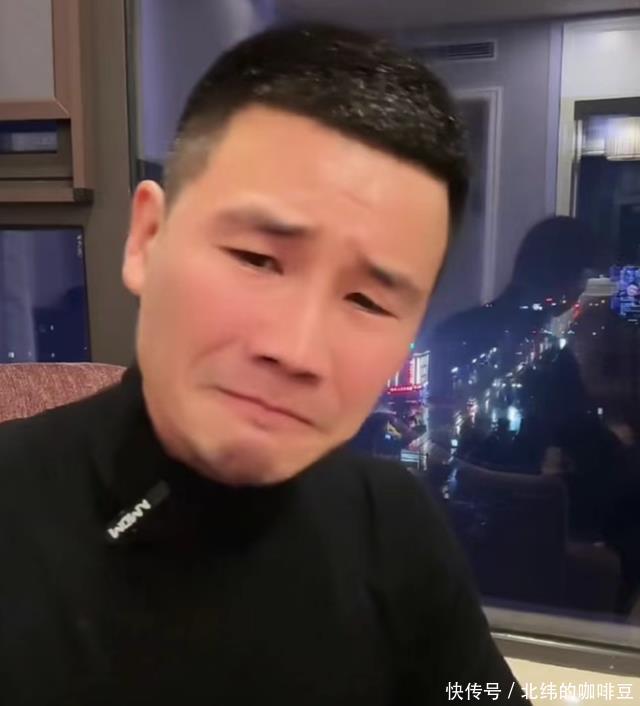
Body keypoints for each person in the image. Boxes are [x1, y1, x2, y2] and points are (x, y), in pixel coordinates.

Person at [0, 23, 530, 705]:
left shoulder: (394, 527)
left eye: (367, 301)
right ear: (147, 240)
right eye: (257, 259)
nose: (297, 350)